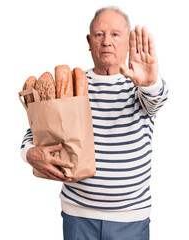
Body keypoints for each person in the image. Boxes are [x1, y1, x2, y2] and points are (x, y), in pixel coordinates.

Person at [20, 6, 169, 240]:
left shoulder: (140, 84)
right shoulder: (70, 84)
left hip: (130, 219)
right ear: (89, 42)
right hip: (78, 216)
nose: (107, 42)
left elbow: (156, 100)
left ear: (129, 41)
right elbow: (37, 130)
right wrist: (29, 154)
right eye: (99, 35)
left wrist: (150, 82)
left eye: (115, 34)